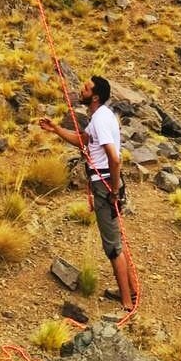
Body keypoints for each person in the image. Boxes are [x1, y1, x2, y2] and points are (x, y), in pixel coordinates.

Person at [39, 75, 137, 311]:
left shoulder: (101, 119)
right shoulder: (99, 117)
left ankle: (126, 303)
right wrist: (56, 129)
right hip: (104, 184)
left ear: (94, 96)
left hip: (105, 185)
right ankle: (131, 292)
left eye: (85, 88)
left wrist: (112, 191)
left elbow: (114, 158)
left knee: (112, 247)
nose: (80, 89)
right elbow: (82, 141)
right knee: (116, 241)